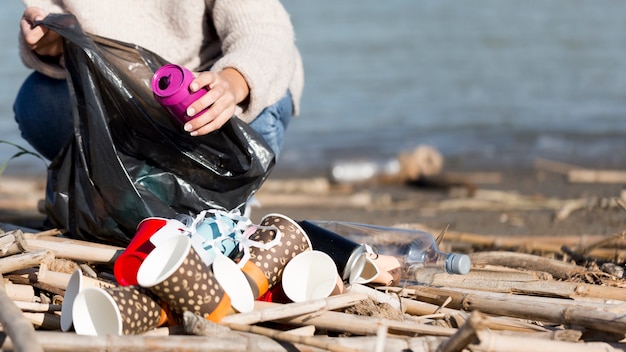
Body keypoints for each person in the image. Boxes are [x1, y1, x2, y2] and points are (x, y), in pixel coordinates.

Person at [14, 1, 304, 161]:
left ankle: (232, 194)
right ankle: (129, 188)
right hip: (124, 94)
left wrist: (233, 81)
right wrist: (50, 44)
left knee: (260, 93)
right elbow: (57, 31)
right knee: (40, 102)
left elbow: (266, 31)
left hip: (207, 84)